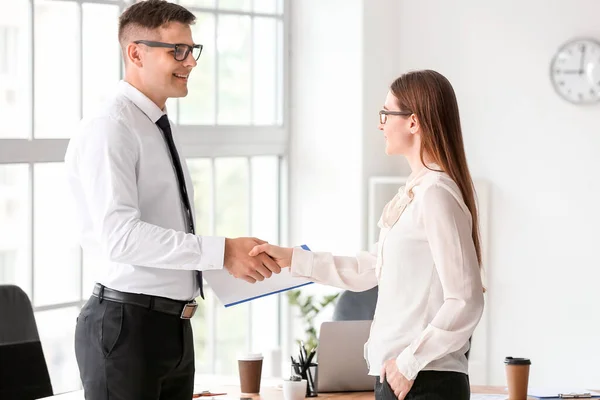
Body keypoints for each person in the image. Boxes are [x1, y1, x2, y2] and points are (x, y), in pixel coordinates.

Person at [64, 1, 279, 399]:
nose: (190, 62)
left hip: (173, 328)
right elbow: (121, 238)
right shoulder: (111, 128)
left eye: (191, 50)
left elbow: (163, 227)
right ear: (135, 52)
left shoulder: (157, 123)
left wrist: (227, 259)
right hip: (127, 328)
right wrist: (222, 251)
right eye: (176, 50)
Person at [250, 70, 485, 400]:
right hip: (399, 377)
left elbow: (466, 299)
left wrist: (407, 364)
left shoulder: (436, 194)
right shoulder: (417, 191)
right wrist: (293, 258)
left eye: (386, 113)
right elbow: (370, 268)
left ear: (413, 122)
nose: (381, 124)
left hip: (423, 380)